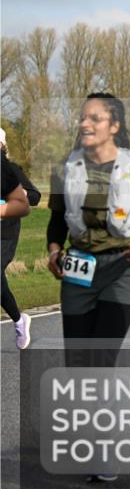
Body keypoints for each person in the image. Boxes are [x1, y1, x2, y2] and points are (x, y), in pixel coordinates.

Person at [45, 94, 130, 482]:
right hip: (80, 270)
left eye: (95, 118)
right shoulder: (66, 169)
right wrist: (52, 249)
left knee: (100, 358)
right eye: (82, 117)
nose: (85, 124)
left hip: (123, 269)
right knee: (78, 364)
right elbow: (56, 223)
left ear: (114, 126)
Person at [1, 141, 33, 350]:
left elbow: (34, 195)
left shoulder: (11, 170)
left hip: (5, 234)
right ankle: (19, 319)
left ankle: (19, 321)